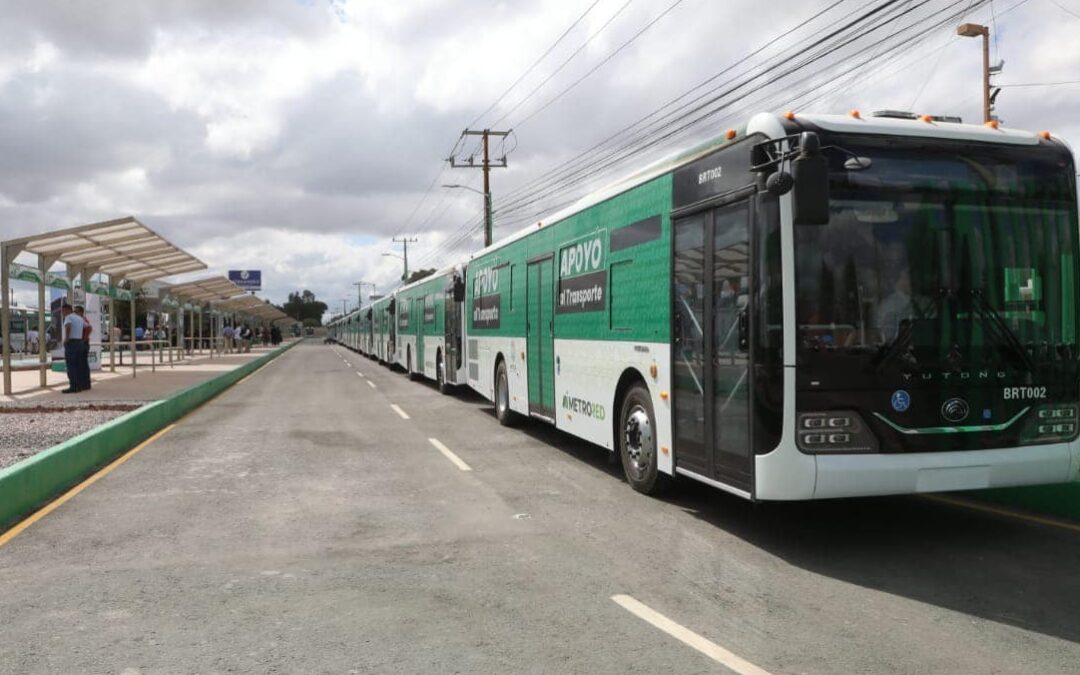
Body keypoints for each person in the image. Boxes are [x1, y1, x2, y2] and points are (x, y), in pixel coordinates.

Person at [60, 303, 85, 394]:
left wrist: (66, 339)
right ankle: (79, 386)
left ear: (67, 310)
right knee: (78, 365)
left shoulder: (68, 317)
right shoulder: (79, 318)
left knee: (71, 366)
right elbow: (86, 328)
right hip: (79, 342)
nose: (62, 313)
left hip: (72, 343)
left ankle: (73, 386)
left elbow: (68, 326)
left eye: (63, 311)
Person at [74, 305, 92, 391]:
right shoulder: (80, 320)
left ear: (81, 312)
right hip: (82, 343)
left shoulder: (82, 320)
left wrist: (83, 339)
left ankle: (84, 384)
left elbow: (89, 328)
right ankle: (84, 384)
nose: (75, 313)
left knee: (82, 364)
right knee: (82, 364)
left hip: (82, 343)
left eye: (76, 311)